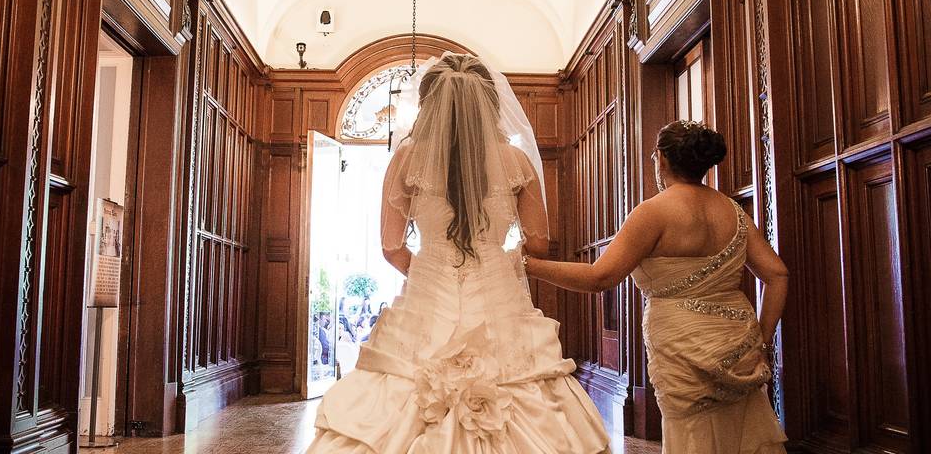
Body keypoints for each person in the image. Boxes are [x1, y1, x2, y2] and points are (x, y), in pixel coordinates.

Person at [308, 53, 610, 453]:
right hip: (497, 287)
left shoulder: (406, 158)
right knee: (520, 379)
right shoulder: (516, 160)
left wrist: (429, 270)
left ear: (430, 106)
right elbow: (538, 244)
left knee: (402, 385)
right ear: (490, 105)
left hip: (427, 289)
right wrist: (502, 258)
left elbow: (391, 247)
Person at [525, 120, 789, 453]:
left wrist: (527, 266)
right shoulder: (733, 212)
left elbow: (600, 277)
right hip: (739, 339)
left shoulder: (652, 213)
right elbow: (777, 274)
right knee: (746, 426)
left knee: (690, 433)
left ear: (661, 160)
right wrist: (762, 338)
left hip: (681, 342)